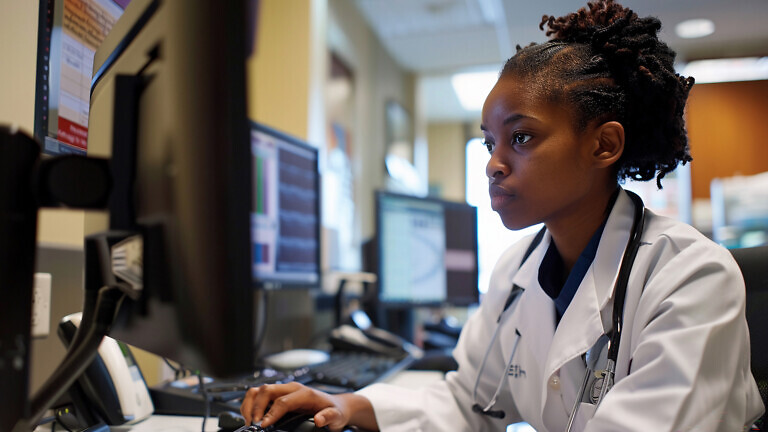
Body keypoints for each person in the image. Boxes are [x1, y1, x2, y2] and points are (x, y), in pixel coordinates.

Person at [241, 1, 765, 430]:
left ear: (604, 144)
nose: (493, 164)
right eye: (491, 142)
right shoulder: (516, 271)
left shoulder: (691, 278)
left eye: (521, 138)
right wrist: (351, 406)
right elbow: (469, 402)